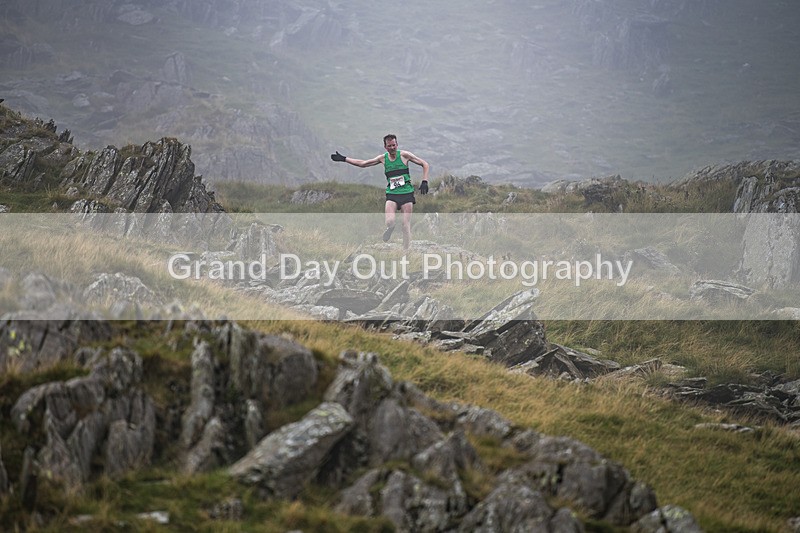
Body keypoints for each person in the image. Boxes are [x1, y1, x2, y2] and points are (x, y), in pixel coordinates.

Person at [331, 134, 429, 250]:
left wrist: (425, 181)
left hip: (406, 194)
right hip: (392, 194)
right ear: (385, 147)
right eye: (389, 146)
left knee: (405, 225)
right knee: (389, 221)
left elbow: (425, 164)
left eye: (394, 145)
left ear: (397, 144)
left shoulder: (404, 155)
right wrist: (344, 159)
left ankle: (405, 252)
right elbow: (363, 164)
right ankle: (390, 228)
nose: (392, 148)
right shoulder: (382, 158)